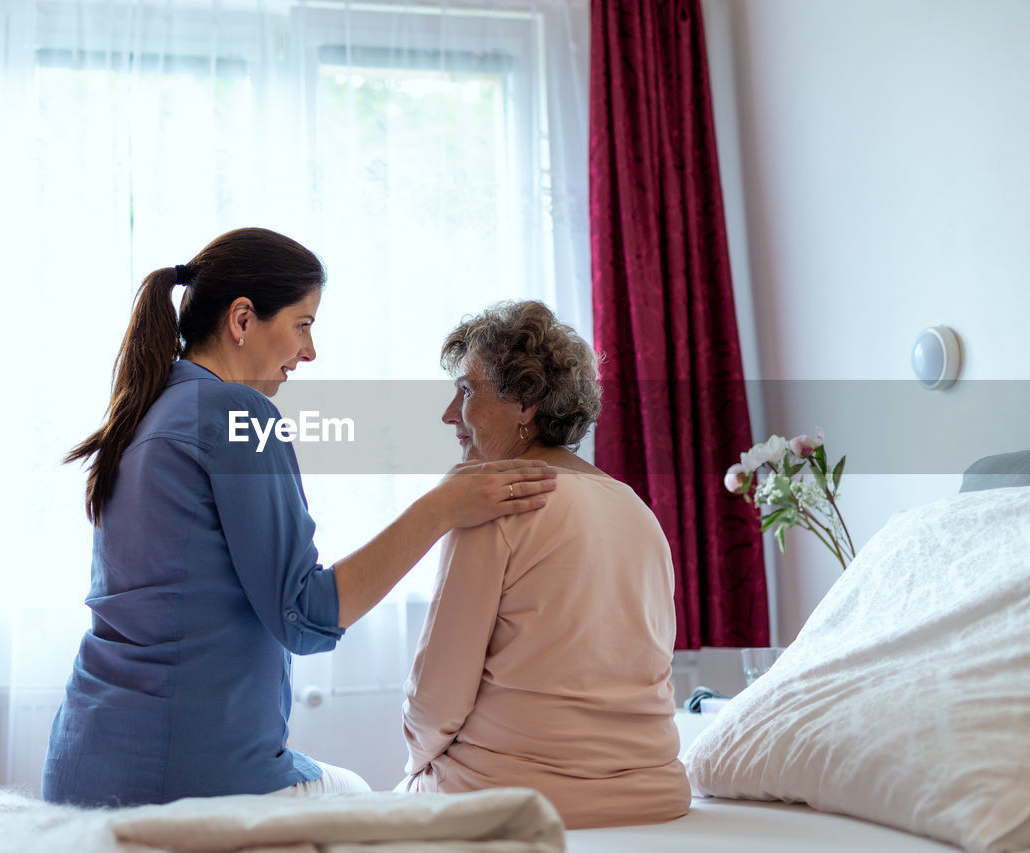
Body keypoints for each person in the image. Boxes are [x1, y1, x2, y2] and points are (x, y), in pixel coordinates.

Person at [41, 228, 557, 807]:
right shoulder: (236, 411)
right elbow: (305, 616)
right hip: (183, 781)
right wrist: (443, 507)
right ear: (242, 319)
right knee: (365, 796)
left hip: (80, 763)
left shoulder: (148, 408)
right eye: (302, 324)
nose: (309, 352)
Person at [400, 300, 690, 829]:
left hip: (517, 796)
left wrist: (415, 765)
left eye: (466, 391)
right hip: (653, 793)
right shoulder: (638, 510)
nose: (449, 414)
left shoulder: (491, 501)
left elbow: (436, 701)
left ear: (525, 403)